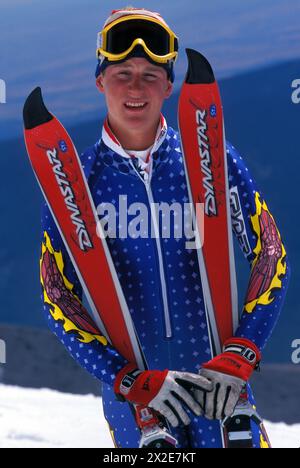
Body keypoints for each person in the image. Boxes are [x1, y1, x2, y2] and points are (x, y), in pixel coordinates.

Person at [40, 7, 290, 448]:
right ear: (100, 81)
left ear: (169, 86)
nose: (136, 87)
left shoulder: (210, 157)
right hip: (140, 408)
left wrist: (243, 349)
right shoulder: (74, 182)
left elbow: (270, 252)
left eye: (150, 74)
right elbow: (57, 296)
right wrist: (126, 378)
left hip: (223, 391)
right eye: (122, 72)